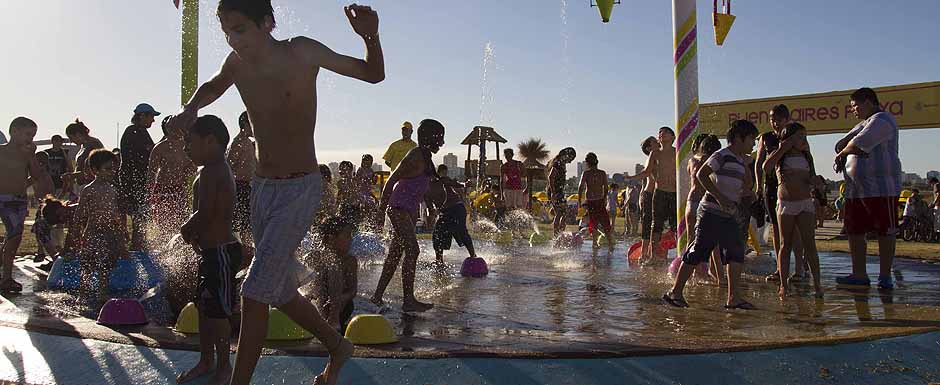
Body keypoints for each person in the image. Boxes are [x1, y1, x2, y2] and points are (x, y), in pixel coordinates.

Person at [166, 1, 384, 383]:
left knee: (253, 292)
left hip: (300, 188)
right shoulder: (237, 63)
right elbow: (214, 85)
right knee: (278, 287)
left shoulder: (302, 51)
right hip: (264, 190)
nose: (233, 40)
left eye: (240, 30)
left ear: (267, 23)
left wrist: (370, 36)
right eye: (226, 32)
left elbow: (373, 75)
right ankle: (337, 344)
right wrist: (190, 108)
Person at [176, 115, 243, 385]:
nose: (186, 149)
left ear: (211, 141)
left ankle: (225, 367)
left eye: (189, 142)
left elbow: (205, 213)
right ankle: (206, 361)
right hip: (211, 253)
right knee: (205, 309)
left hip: (221, 253)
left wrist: (186, 228)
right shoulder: (212, 168)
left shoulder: (213, 169)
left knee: (218, 313)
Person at [663, 119, 759, 310]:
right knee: (699, 250)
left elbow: (742, 184)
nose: (753, 144)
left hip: (728, 214)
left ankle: (733, 298)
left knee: (736, 252)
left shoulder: (740, 160)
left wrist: (746, 193)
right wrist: (721, 197)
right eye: (751, 139)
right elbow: (702, 175)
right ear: (739, 138)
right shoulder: (721, 155)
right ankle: (675, 292)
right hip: (711, 211)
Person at [371, 119, 444, 312]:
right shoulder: (415, 155)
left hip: (409, 211)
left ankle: (377, 296)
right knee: (413, 250)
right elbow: (391, 180)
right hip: (398, 209)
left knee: (395, 254)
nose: (442, 143)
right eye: (440, 138)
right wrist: (380, 211)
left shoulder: (426, 157)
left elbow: (426, 186)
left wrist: (429, 207)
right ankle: (408, 300)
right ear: (430, 137)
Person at [833, 87, 901, 290]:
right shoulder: (861, 124)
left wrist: (843, 152)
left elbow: (859, 145)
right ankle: (859, 273)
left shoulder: (883, 120)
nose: (853, 110)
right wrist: (842, 150)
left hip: (881, 189)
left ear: (869, 102)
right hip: (856, 189)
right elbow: (842, 143)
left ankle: (884, 276)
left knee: (885, 231)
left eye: (856, 106)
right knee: (854, 231)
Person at [764, 122, 823, 298]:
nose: (804, 139)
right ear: (788, 138)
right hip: (786, 204)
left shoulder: (807, 157)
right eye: (800, 136)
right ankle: (783, 284)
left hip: (805, 202)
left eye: (805, 136)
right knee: (785, 244)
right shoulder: (780, 156)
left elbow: (810, 177)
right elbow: (766, 167)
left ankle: (818, 285)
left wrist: (816, 182)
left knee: (809, 244)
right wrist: (783, 148)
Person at [0, 117, 52, 292]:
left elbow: (36, 175)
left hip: (17, 200)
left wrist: (31, 156)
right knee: (10, 238)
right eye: (28, 134)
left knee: (14, 237)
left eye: (34, 135)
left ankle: (6, 278)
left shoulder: (26, 154)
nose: (31, 138)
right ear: (14, 131)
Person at [756, 105, 807, 282]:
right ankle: (780, 268)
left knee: (797, 230)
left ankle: (800, 269)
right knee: (777, 230)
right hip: (771, 187)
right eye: (772, 120)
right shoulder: (766, 138)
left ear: (787, 119)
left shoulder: (796, 136)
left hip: (794, 186)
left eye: (778, 120)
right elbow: (759, 163)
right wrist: (757, 184)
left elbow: (808, 158)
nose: (774, 123)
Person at [76, 149, 129, 301]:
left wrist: (122, 230)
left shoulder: (113, 189)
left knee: (106, 264)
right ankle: (83, 292)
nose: (111, 172)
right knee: (88, 263)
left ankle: (102, 293)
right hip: (92, 231)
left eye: (113, 169)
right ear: (95, 170)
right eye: (107, 169)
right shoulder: (88, 190)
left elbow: (116, 213)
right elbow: (80, 213)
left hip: (110, 231)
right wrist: (76, 232)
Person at [627, 128, 676, 263]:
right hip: (659, 192)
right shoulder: (655, 153)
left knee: (676, 225)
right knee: (656, 225)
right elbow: (646, 171)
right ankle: (653, 255)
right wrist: (631, 177)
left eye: (665, 132)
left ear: (673, 137)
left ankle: (680, 254)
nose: (661, 134)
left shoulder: (678, 151)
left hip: (674, 192)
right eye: (660, 133)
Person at [148, 115, 196, 246]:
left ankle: (175, 247)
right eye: (173, 126)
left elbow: (194, 165)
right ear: (167, 129)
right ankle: (164, 246)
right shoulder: (160, 147)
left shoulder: (186, 146)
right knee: (163, 222)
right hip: (162, 189)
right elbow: (151, 172)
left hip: (179, 189)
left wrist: (188, 170)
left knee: (180, 221)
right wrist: (150, 193)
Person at [683, 134, 723, 282]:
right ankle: (719, 277)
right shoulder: (715, 161)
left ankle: (692, 275)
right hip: (707, 202)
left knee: (692, 240)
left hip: (691, 200)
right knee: (714, 243)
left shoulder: (692, 161)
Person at [121, 103, 159, 251]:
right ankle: (137, 248)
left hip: (131, 179)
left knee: (140, 217)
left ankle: (138, 246)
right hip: (134, 180)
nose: (153, 121)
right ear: (142, 116)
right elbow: (153, 152)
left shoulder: (136, 131)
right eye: (151, 116)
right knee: (141, 217)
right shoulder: (136, 132)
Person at [311, 215, 358, 333]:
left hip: (342, 307)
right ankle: (326, 318)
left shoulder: (350, 261)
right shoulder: (315, 257)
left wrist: (342, 298)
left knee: (334, 266)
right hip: (318, 305)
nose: (351, 239)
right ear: (331, 239)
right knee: (331, 266)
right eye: (347, 236)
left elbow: (353, 290)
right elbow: (309, 287)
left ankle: (334, 318)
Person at [428, 164, 477, 264]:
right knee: (437, 234)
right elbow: (430, 208)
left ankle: (473, 256)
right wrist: (432, 213)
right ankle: (439, 261)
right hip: (444, 212)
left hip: (456, 208)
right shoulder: (424, 189)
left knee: (461, 231)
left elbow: (454, 183)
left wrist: (464, 185)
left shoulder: (442, 180)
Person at [227, 111, 257, 248]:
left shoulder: (249, 143)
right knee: (240, 223)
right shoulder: (238, 142)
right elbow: (229, 165)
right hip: (237, 187)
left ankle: (247, 248)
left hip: (246, 187)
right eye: (253, 124)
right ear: (245, 124)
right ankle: (241, 249)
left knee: (247, 222)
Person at [577, 153, 614, 251]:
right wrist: (605, 198)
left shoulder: (586, 173)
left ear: (587, 163)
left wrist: (579, 201)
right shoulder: (602, 173)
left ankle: (594, 244)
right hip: (600, 200)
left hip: (591, 201)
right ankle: (610, 243)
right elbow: (606, 188)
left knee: (594, 223)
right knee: (605, 223)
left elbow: (580, 187)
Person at [64, 119, 104, 191]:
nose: (71, 141)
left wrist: (73, 175)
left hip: (93, 186)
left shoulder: (94, 144)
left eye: (71, 137)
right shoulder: (83, 146)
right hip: (83, 185)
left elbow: (96, 169)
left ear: (78, 134)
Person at [547, 147, 576, 236]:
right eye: (571, 158)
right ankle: (556, 236)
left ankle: (559, 235)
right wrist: (553, 193)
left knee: (564, 213)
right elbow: (550, 177)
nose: (571, 161)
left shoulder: (561, 164)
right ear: (566, 155)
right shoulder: (557, 164)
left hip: (558, 191)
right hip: (555, 191)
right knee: (560, 213)